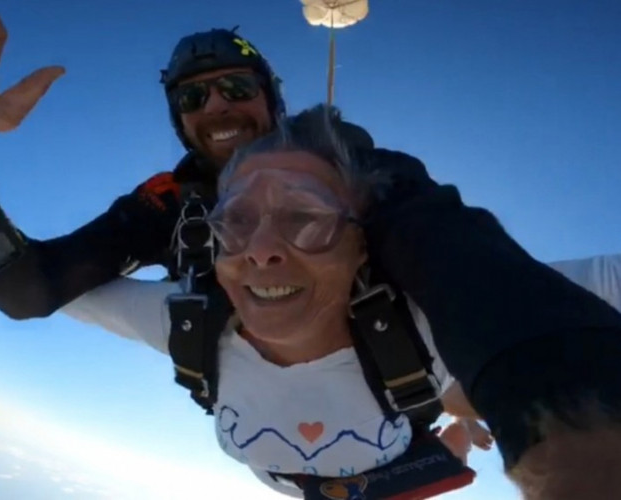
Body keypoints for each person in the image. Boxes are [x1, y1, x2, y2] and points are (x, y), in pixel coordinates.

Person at [62, 104, 621, 498]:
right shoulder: (190, 324)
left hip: (396, 460)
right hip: (331, 481)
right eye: (236, 222)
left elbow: (558, 288)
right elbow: (54, 294)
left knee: (450, 426)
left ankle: (465, 427)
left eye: (304, 219)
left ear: (361, 245)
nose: (260, 252)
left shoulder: (427, 317)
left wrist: (573, 440)